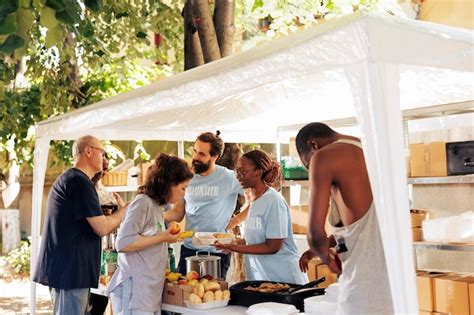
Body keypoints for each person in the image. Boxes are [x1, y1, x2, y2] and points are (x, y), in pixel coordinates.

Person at [295, 122, 393, 314]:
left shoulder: (324, 156)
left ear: (313, 145)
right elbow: (363, 227)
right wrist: (325, 246)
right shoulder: (371, 151)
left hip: (363, 290)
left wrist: (326, 257)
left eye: (308, 163)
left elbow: (315, 235)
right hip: (397, 287)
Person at [33, 135, 127, 315]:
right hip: (71, 273)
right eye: (103, 153)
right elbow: (102, 227)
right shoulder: (79, 182)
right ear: (88, 151)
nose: (105, 159)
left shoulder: (74, 179)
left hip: (68, 270)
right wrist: (125, 211)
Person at [106, 153, 193, 314]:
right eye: (182, 188)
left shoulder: (156, 206)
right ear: (169, 184)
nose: (184, 194)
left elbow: (149, 239)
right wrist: (162, 237)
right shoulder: (142, 203)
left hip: (148, 294)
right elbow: (123, 243)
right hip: (135, 293)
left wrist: (166, 237)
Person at [214, 149, 307, 284]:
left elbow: (273, 246)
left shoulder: (273, 201)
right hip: (263, 278)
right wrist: (231, 243)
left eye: (243, 172)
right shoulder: (253, 201)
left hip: (284, 277)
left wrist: (235, 248)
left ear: (258, 172)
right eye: (237, 171)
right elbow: (254, 240)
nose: (238, 176)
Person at [176, 131, 243, 278]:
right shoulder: (188, 177)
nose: (195, 157)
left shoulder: (229, 177)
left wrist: (236, 220)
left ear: (215, 157)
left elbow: (257, 197)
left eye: (202, 154)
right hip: (189, 249)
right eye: (195, 151)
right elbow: (178, 212)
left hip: (217, 251)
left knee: (213, 295)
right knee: (183, 295)